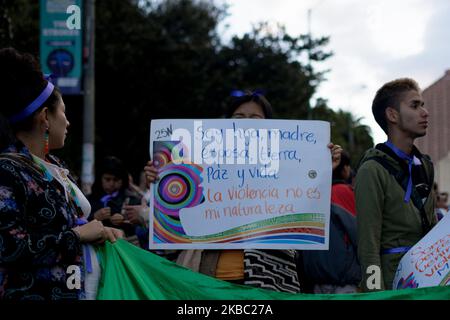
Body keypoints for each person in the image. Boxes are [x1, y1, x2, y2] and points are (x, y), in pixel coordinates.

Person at [145, 90, 343, 293]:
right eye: (239, 116)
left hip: (267, 278)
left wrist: (324, 167)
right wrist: (160, 182)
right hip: (206, 281)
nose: (246, 123)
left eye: (255, 118)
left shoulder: (285, 167)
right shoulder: (201, 166)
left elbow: (305, 206)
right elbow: (172, 227)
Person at [0, 47, 123, 300]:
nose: (67, 122)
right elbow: (8, 247)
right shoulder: (7, 171)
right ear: (45, 117)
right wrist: (77, 236)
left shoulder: (55, 165)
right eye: (63, 112)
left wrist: (102, 233)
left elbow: (73, 226)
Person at [355, 78, 437, 292]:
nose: (425, 112)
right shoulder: (371, 170)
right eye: (415, 105)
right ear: (392, 115)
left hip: (427, 282)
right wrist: (375, 294)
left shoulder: (425, 166)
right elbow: (368, 245)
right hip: (392, 286)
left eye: (423, 105)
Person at [301, 151, 361, 294]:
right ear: (345, 168)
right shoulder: (342, 192)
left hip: (313, 281)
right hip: (341, 283)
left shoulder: (306, 194)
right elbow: (360, 234)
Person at [87, 156, 142, 240]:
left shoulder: (133, 200)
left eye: (116, 180)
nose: (112, 183)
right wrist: (94, 217)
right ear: (100, 178)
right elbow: (80, 225)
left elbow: (141, 228)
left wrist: (124, 220)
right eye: (107, 179)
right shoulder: (89, 200)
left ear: (123, 180)